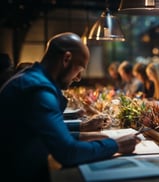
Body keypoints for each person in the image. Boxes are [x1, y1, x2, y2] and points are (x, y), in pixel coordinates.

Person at [0, 32, 141, 181]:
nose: (78, 78)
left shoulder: (29, 78)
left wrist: (83, 134)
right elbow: (67, 153)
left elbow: (42, 133)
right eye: (80, 69)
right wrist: (116, 145)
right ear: (66, 58)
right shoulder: (39, 89)